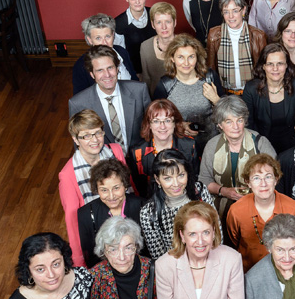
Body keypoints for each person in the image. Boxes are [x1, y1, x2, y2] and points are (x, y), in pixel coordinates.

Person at [59, 109, 130, 267]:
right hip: (97, 237)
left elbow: (129, 188)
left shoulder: (115, 151)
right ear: (75, 139)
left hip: (126, 226)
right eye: (86, 136)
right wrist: (79, 262)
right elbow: (72, 221)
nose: (95, 140)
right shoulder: (68, 175)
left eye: (98, 133)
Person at [199, 95, 277, 221]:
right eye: (229, 121)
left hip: (259, 209)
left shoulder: (261, 143)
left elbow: (274, 178)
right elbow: (204, 180)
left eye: (239, 120)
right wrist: (224, 191)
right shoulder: (212, 145)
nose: (235, 126)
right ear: (220, 124)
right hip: (220, 211)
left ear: (245, 121)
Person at [226, 154, 295, 272]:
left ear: (276, 180)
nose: (263, 184)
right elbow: (233, 242)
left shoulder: (292, 208)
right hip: (247, 273)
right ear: (248, 183)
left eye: (268, 177)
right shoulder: (236, 210)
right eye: (256, 178)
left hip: (284, 272)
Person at [69, 44, 151, 154]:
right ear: (92, 74)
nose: (107, 75)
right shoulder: (78, 104)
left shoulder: (139, 90)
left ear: (117, 69)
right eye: (100, 70)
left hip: (140, 159)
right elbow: (80, 146)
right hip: (104, 164)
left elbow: (152, 127)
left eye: (110, 68)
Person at [153, 33, 224, 156]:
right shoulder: (165, 84)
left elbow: (229, 113)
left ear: (197, 58)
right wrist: (178, 125)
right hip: (181, 148)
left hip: (213, 145)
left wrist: (216, 99)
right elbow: (155, 120)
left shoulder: (209, 77)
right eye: (180, 57)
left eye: (191, 57)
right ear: (172, 58)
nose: (186, 62)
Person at [140, 149, 214, 260]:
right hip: (175, 269)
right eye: (167, 178)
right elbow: (160, 258)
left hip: (211, 259)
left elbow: (217, 235)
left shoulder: (200, 192)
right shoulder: (149, 212)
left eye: (181, 175)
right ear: (157, 179)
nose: (176, 184)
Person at [242, 42, 295, 153]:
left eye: (280, 63)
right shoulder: (251, 89)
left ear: (286, 65)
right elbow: (248, 124)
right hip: (262, 148)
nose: (275, 68)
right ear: (263, 66)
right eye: (270, 64)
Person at [77, 158, 144, 267]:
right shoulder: (85, 214)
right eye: (104, 190)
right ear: (97, 189)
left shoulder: (143, 206)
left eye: (116, 188)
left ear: (125, 185)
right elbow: (90, 256)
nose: (111, 196)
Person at [128, 98, 197, 196]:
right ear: (149, 125)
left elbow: (194, 179)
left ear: (175, 123)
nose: (162, 126)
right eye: (156, 121)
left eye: (167, 120)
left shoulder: (190, 145)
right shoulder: (137, 152)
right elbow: (139, 189)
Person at [206, 0, 267, 95]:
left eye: (235, 11)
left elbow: (264, 70)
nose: (231, 16)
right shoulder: (213, 34)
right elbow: (211, 68)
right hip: (224, 92)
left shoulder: (258, 35)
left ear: (243, 11)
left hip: (252, 92)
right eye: (226, 11)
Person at [72, 13, 138, 94]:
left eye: (107, 36)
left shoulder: (122, 52)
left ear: (113, 35)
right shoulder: (81, 66)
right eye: (98, 38)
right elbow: (81, 98)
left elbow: (135, 80)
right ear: (89, 40)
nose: (104, 43)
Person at [115, 0, 155, 74]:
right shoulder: (118, 23)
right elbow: (120, 54)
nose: (137, 1)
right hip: (133, 71)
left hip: (155, 68)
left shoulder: (155, 14)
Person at [140, 2, 177, 95]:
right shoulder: (145, 46)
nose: (164, 27)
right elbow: (146, 80)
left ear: (175, 22)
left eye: (168, 22)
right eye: (159, 22)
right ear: (153, 24)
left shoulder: (186, 45)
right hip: (156, 100)